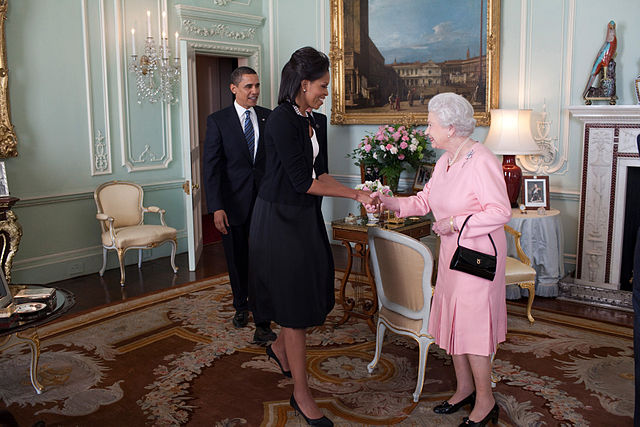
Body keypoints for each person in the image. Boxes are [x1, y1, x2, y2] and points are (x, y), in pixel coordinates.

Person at [368, 92, 511, 426]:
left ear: (449, 126)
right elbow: (424, 199)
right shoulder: (446, 160)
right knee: (455, 320)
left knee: (473, 326)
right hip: (451, 253)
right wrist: (390, 203)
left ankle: (486, 401)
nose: (426, 130)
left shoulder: (481, 159)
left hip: (479, 257)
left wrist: (453, 223)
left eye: (430, 124)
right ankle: (464, 389)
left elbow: (500, 212)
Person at [249, 47, 374, 426]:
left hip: (303, 219)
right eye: (322, 86)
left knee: (311, 290)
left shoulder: (315, 120)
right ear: (303, 84)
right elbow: (303, 182)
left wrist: (363, 189)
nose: (326, 93)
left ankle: (276, 347)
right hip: (277, 220)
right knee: (294, 307)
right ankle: (301, 394)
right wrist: (354, 195)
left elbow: (321, 174)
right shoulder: (281, 121)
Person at [202, 66, 276, 345]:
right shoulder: (218, 121)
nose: (255, 91)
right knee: (236, 258)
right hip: (231, 204)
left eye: (257, 85)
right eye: (249, 86)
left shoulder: (270, 117)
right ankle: (240, 304)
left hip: (265, 203)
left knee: (263, 260)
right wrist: (216, 207)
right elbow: (212, 168)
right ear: (234, 88)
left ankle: (263, 320)